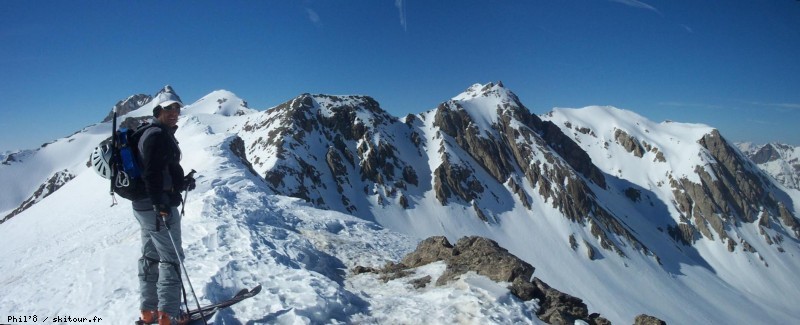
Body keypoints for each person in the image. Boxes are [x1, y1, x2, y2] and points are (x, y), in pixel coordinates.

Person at [133, 95, 195, 325]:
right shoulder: (157, 136)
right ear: (157, 110)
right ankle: (168, 316)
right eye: (169, 109)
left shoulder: (150, 132)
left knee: (150, 256)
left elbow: (160, 170)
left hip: (143, 206)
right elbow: (151, 173)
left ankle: (148, 313)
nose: (174, 113)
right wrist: (160, 203)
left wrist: (181, 182)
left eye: (177, 109)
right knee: (171, 259)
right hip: (158, 208)